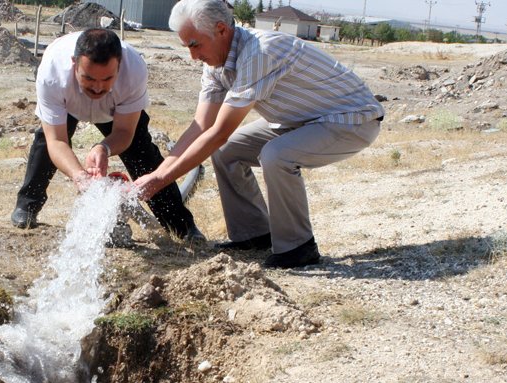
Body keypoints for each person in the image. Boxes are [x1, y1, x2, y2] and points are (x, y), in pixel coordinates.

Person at [134, 0, 384, 268]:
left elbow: (218, 131)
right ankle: (254, 234)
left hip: (351, 120)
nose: (193, 56)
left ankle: (298, 247)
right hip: (300, 121)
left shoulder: (260, 52)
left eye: (195, 45)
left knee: (276, 155)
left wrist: (159, 180)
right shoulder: (215, 64)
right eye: (187, 47)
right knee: (227, 150)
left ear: (221, 29)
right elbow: (201, 126)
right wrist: (157, 174)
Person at [10, 28, 204, 242]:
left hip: (115, 110)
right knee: (44, 145)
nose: (98, 87)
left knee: (143, 156)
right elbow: (56, 141)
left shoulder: (134, 70)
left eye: (107, 78)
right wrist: (80, 176)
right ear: (74, 63)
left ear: (119, 66)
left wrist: (103, 147)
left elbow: (124, 132)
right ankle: (27, 205)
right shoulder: (52, 73)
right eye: (89, 78)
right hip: (69, 104)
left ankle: (181, 225)